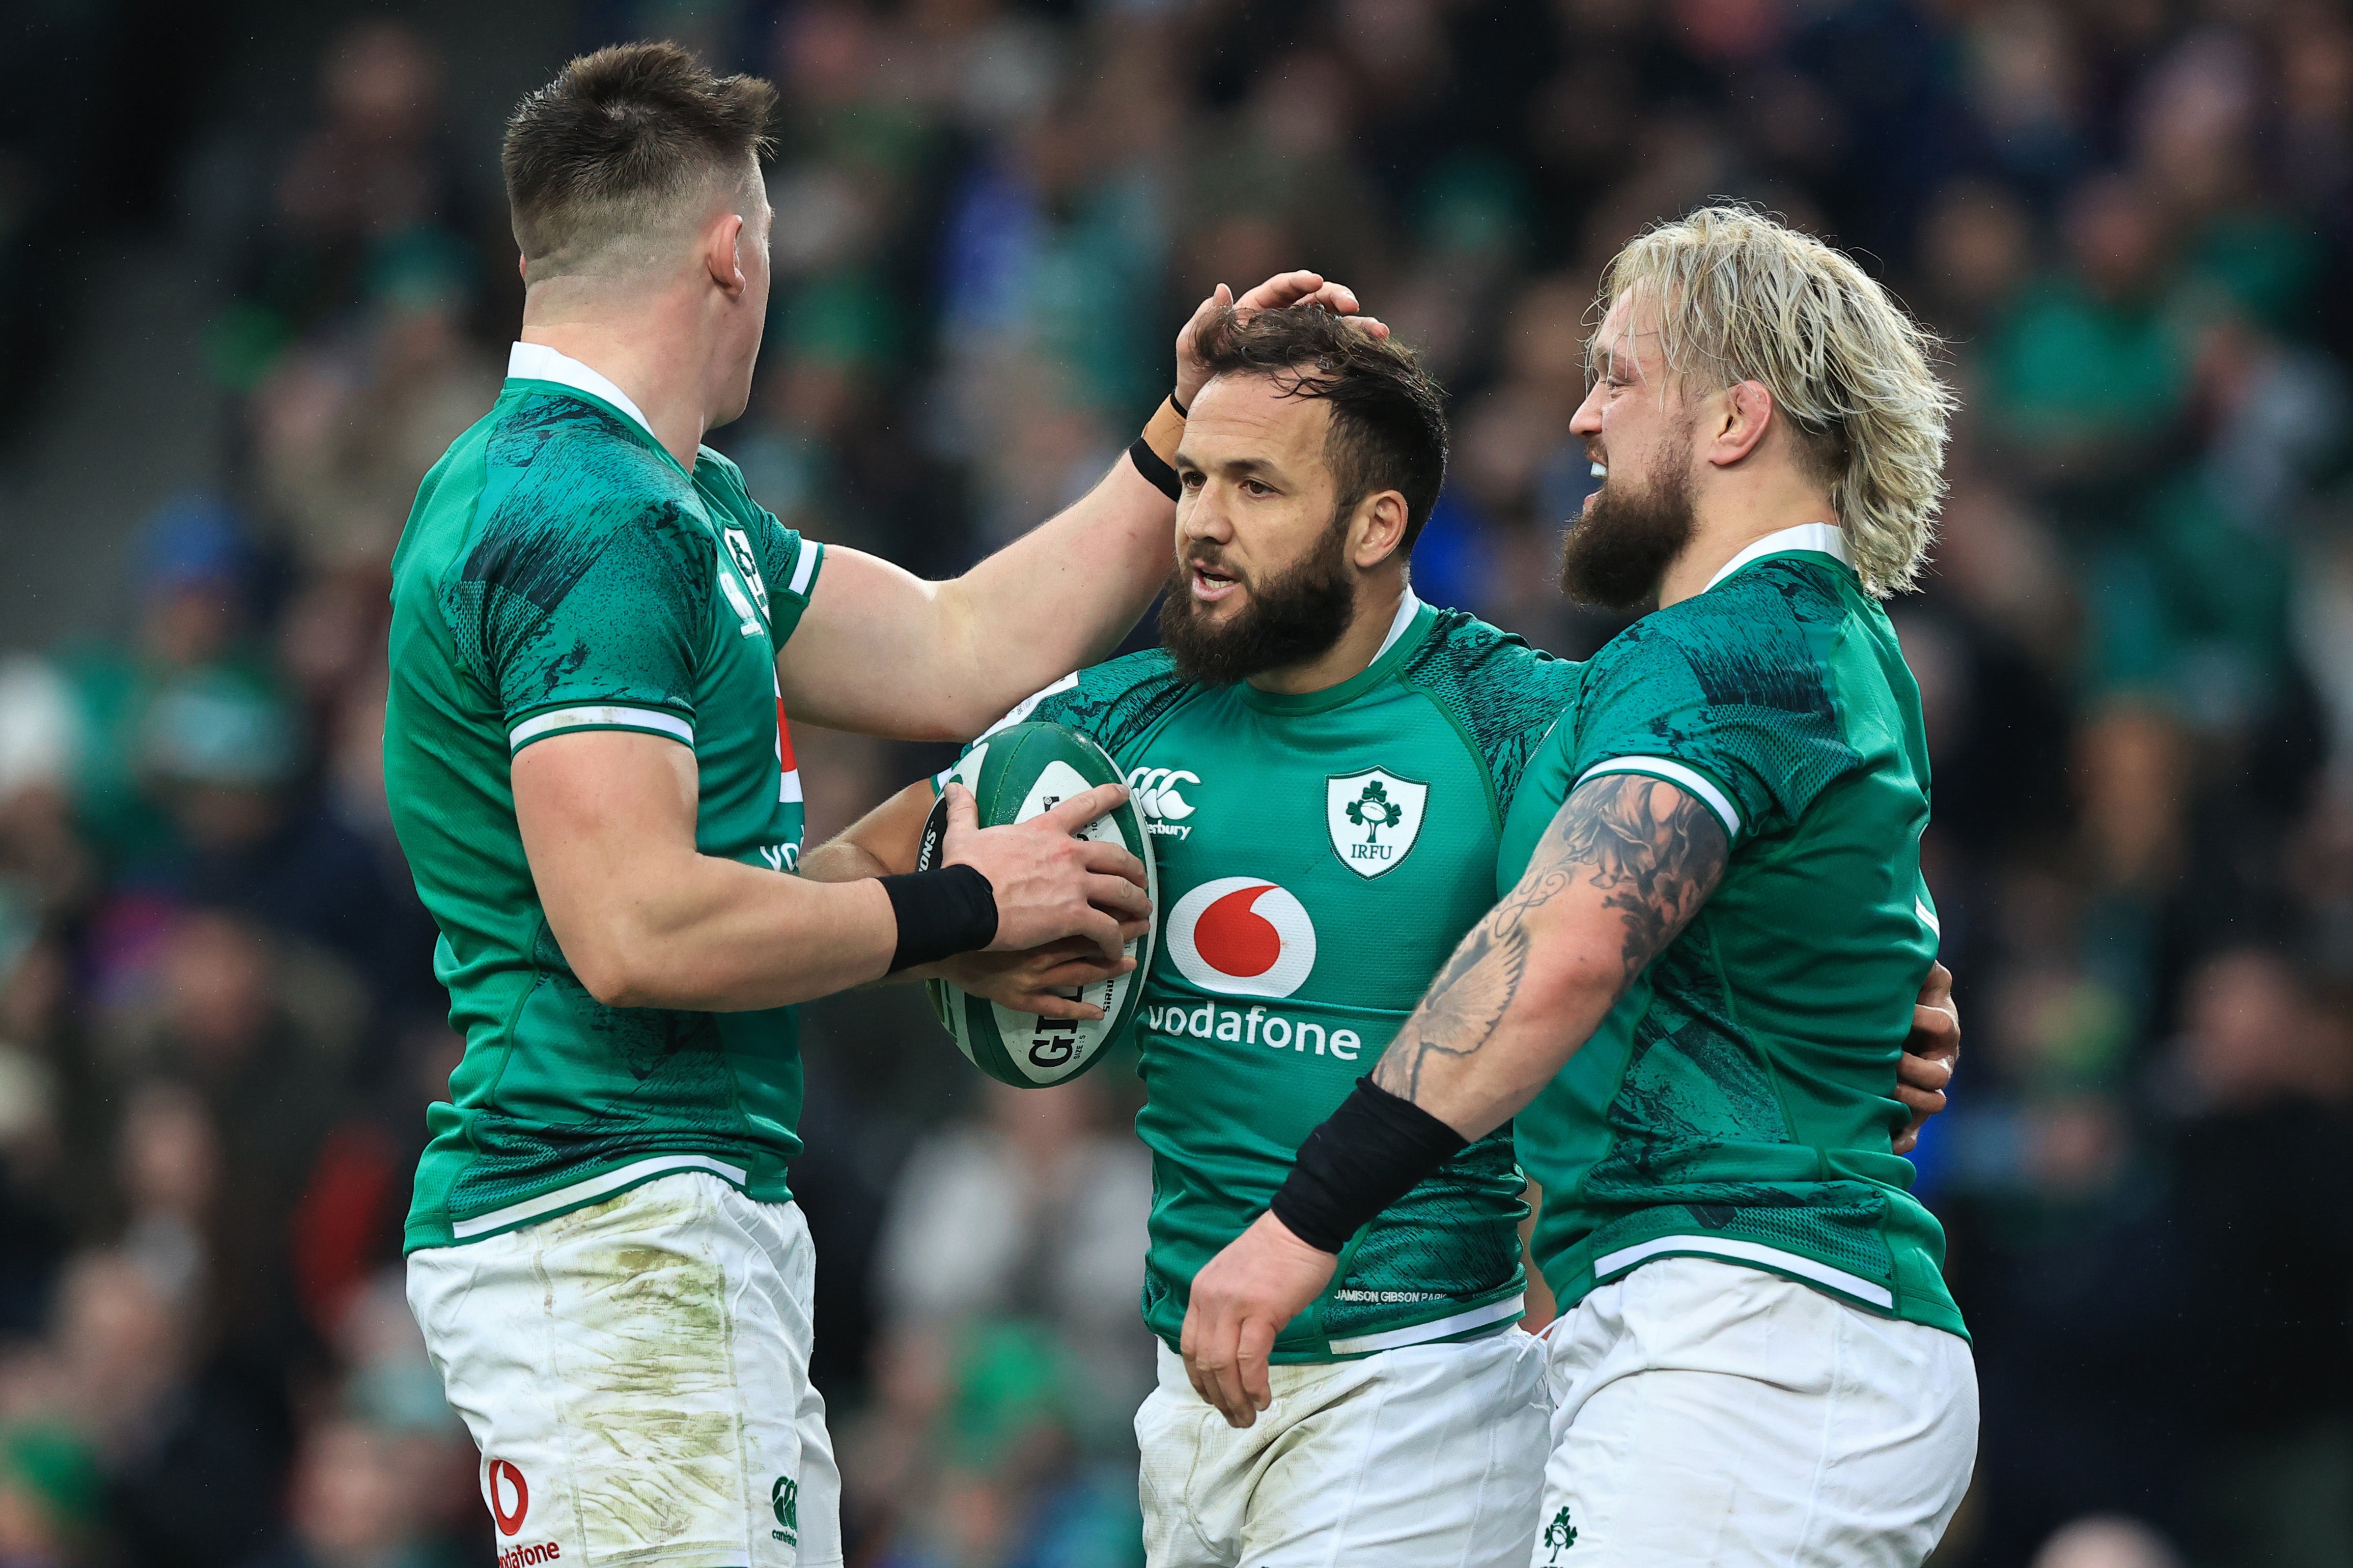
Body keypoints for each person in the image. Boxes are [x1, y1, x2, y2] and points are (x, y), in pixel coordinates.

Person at [385, 42, 1377, 1568]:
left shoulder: (672, 501)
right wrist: (969, 902)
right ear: (732, 252)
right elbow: (635, 931)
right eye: (769, 241)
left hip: (655, 1213)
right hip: (609, 1210)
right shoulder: (585, 514)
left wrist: (1174, 433)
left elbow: (952, 649)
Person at [821, 302, 1961, 1567]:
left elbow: (1725, 879)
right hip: (1189, 1379)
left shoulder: (1526, 721)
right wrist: (955, 901)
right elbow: (841, 880)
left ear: (1376, 525)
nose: (1199, 521)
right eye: (1194, 479)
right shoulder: (1108, 726)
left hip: (1424, 1379)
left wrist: (1889, 995)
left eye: (1254, 486)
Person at [1183, 206, 1978, 1567]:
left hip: (1750, 1339)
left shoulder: (1725, 649)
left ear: (1732, 423)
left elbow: (1564, 949)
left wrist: (1306, 1213)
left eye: (1617, 376)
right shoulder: (1806, 644)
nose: (1580, 421)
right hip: (1732, 1334)